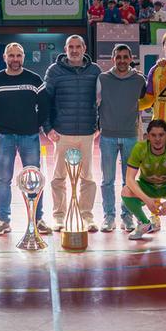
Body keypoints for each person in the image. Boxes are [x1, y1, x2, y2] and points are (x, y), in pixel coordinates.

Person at [0, 42, 49, 236]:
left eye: (18, 55)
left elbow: (45, 106)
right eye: (11, 55)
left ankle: (37, 219)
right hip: (4, 137)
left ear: (23, 57)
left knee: (33, 180)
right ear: (5, 57)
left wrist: (34, 124)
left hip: (29, 137)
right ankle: (3, 220)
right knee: (3, 179)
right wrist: (0, 124)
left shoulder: (34, 79)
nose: (15, 59)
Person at [43, 34, 102, 232]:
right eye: (71, 47)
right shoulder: (54, 70)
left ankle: (87, 216)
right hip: (62, 133)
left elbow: (102, 100)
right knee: (59, 177)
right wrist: (48, 128)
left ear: (84, 48)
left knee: (87, 178)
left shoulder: (95, 70)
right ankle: (59, 216)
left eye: (78, 46)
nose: (74, 50)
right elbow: (46, 101)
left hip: (86, 133)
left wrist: (99, 125)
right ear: (65, 49)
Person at [97, 44, 146, 232]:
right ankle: (109, 216)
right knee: (107, 180)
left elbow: (145, 100)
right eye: (119, 57)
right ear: (113, 59)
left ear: (130, 59)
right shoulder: (103, 78)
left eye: (126, 57)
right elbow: (96, 102)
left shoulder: (139, 79)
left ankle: (127, 216)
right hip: (108, 136)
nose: (122, 60)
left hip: (131, 136)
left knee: (130, 181)